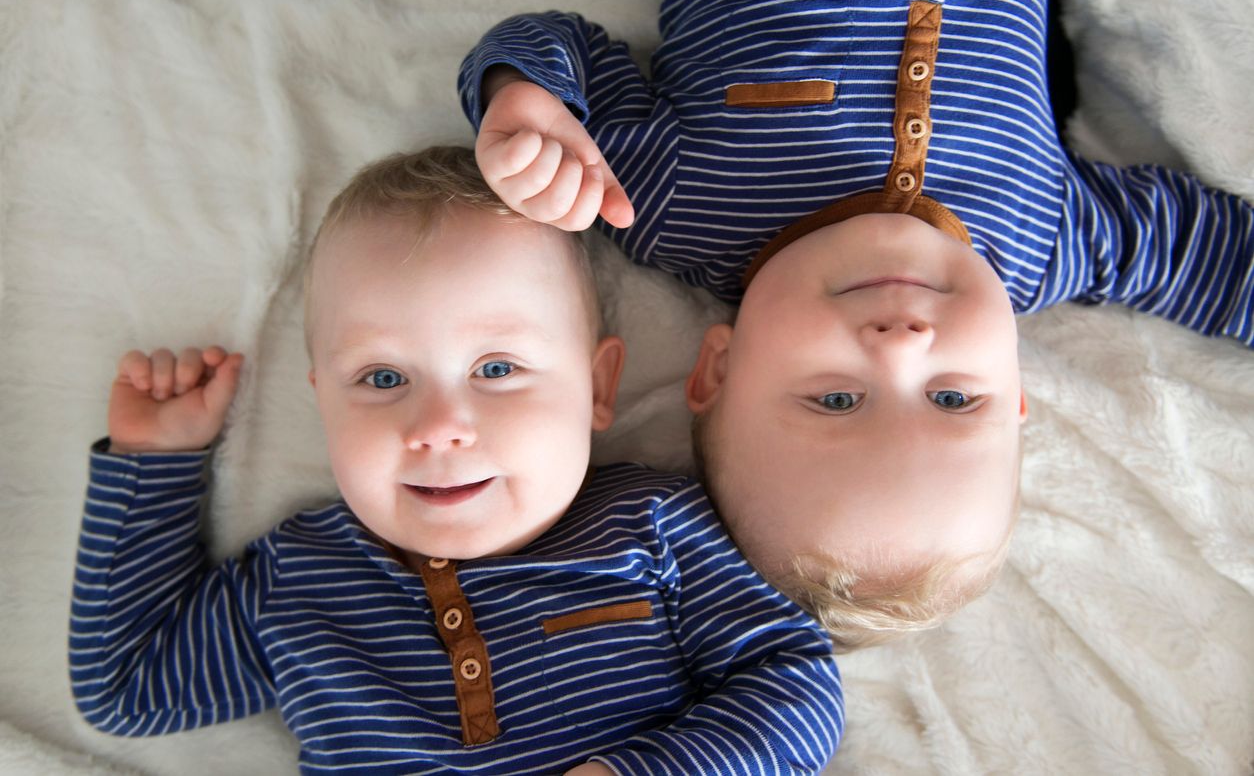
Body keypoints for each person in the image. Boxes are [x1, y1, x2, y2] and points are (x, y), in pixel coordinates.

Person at [457, 0, 1254, 650]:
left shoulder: (667, 204)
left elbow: (558, 46)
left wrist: (524, 105)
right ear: (1015, 393)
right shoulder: (1047, 241)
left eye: (837, 398)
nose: (901, 344)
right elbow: (1210, 259)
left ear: (718, 370)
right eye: (952, 398)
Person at [68, 147, 843, 774]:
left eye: (497, 369)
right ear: (322, 402)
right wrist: (155, 463)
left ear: (598, 386)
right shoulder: (298, 580)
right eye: (382, 379)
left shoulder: (653, 527)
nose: (438, 426)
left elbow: (795, 683)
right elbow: (128, 687)